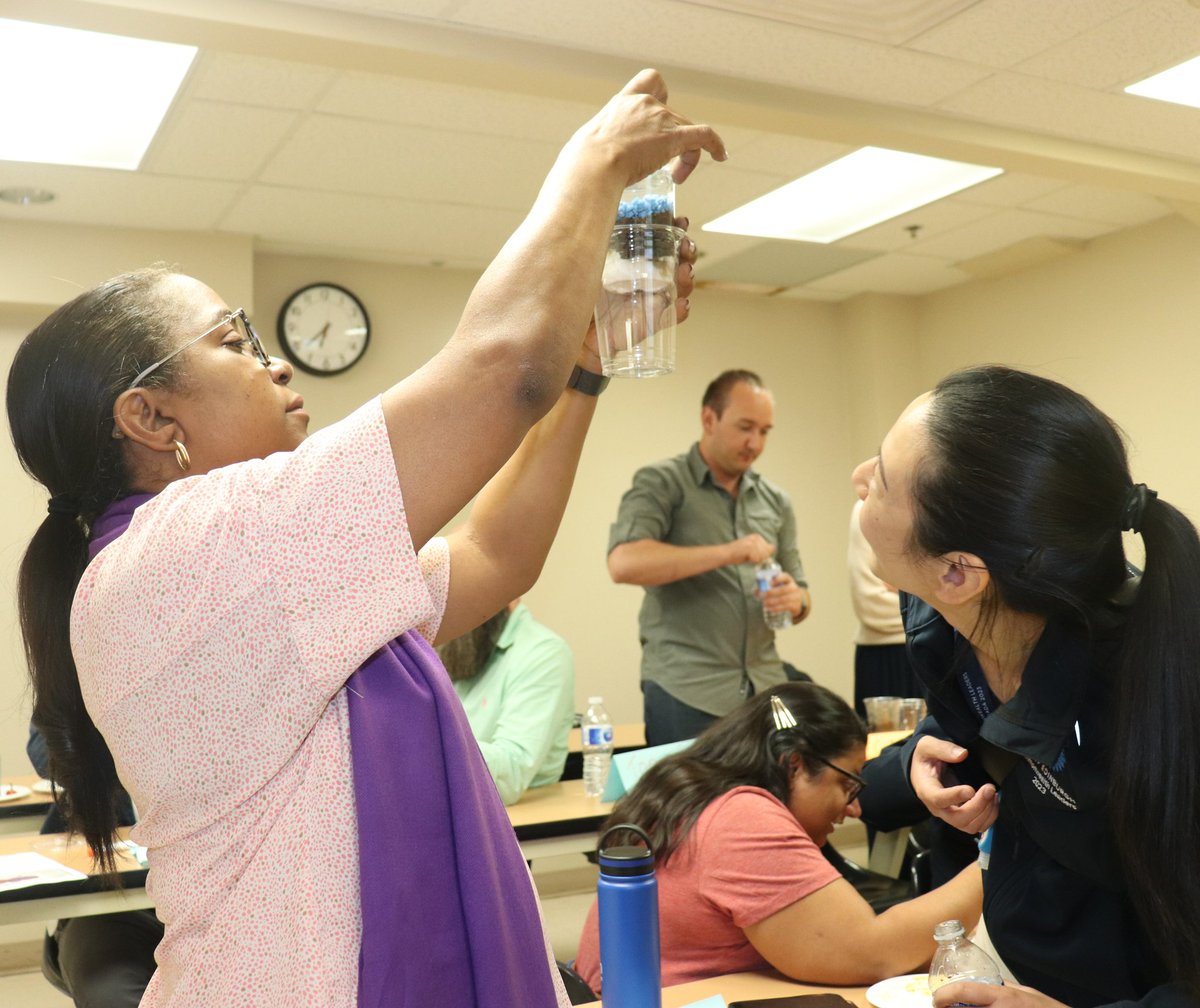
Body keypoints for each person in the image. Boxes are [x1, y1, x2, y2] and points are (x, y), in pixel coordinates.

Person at [6, 69, 725, 1008]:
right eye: (235, 341)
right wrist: (592, 162)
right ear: (147, 416)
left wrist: (584, 370)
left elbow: (496, 558)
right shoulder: (177, 559)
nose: (275, 364)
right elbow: (501, 366)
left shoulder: (266, 574)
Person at [853, 365, 1200, 1008]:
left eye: (882, 478)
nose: (858, 482)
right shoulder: (946, 622)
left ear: (959, 571)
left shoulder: (1156, 700)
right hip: (1018, 967)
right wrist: (926, 762)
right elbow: (981, 725)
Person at [572, 682, 981, 991]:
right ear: (795, 765)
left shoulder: (694, 792)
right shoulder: (741, 817)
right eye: (847, 785)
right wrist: (994, 859)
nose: (854, 808)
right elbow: (873, 953)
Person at [607, 369, 811, 746]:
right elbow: (624, 563)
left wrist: (795, 600)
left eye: (765, 431)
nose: (755, 443)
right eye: (745, 427)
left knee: (768, 800)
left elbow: (801, 589)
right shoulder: (662, 482)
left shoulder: (775, 501)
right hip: (686, 690)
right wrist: (729, 553)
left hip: (765, 685)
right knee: (691, 806)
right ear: (708, 419)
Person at [27, 726, 160, 1008]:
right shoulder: (73, 683)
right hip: (106, 902)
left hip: (214, 900)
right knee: (111, 990)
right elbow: (44, 751)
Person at [437, 600, 574, 804]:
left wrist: (433, 751)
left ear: (509, 593)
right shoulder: (460, 649)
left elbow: (513, 770)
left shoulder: (542, 652)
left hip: (517, 821)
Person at [847, 497, 918, 716]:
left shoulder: (945, 500)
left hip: (940, 651)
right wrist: (931, 595)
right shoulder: (868, 508)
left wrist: (905, 588)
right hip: (885, 656)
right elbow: (873, 606)